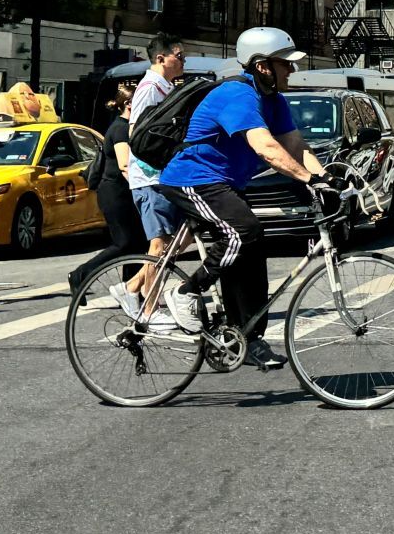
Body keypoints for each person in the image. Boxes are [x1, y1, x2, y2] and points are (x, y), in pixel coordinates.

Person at [157, 27, 330, 370]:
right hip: (193, 179)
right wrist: (307, 178)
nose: (291, 70)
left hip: (224, 183)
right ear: (263, 66)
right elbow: (266, 148)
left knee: (252, 249)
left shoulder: (274, 101)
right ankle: (186, 293)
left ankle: (246, 336)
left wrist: (325, 179)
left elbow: (294, 145)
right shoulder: (238, 94)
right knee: (244, 232)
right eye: (286, 64)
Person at [66, 82, 146, 298]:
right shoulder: (120, 129)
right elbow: (124, 165)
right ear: (129, 104)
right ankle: (80, 274)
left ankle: (131, 292)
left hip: (123, 193)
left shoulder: (126, 126)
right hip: (115, 194)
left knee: (137, 244)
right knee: (125, 242)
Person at [131, 34, 185, 127]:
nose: (184, 60)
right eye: (179, 56)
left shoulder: (167, 86)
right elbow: (136, 130)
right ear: (161, 59)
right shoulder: (149, 88)